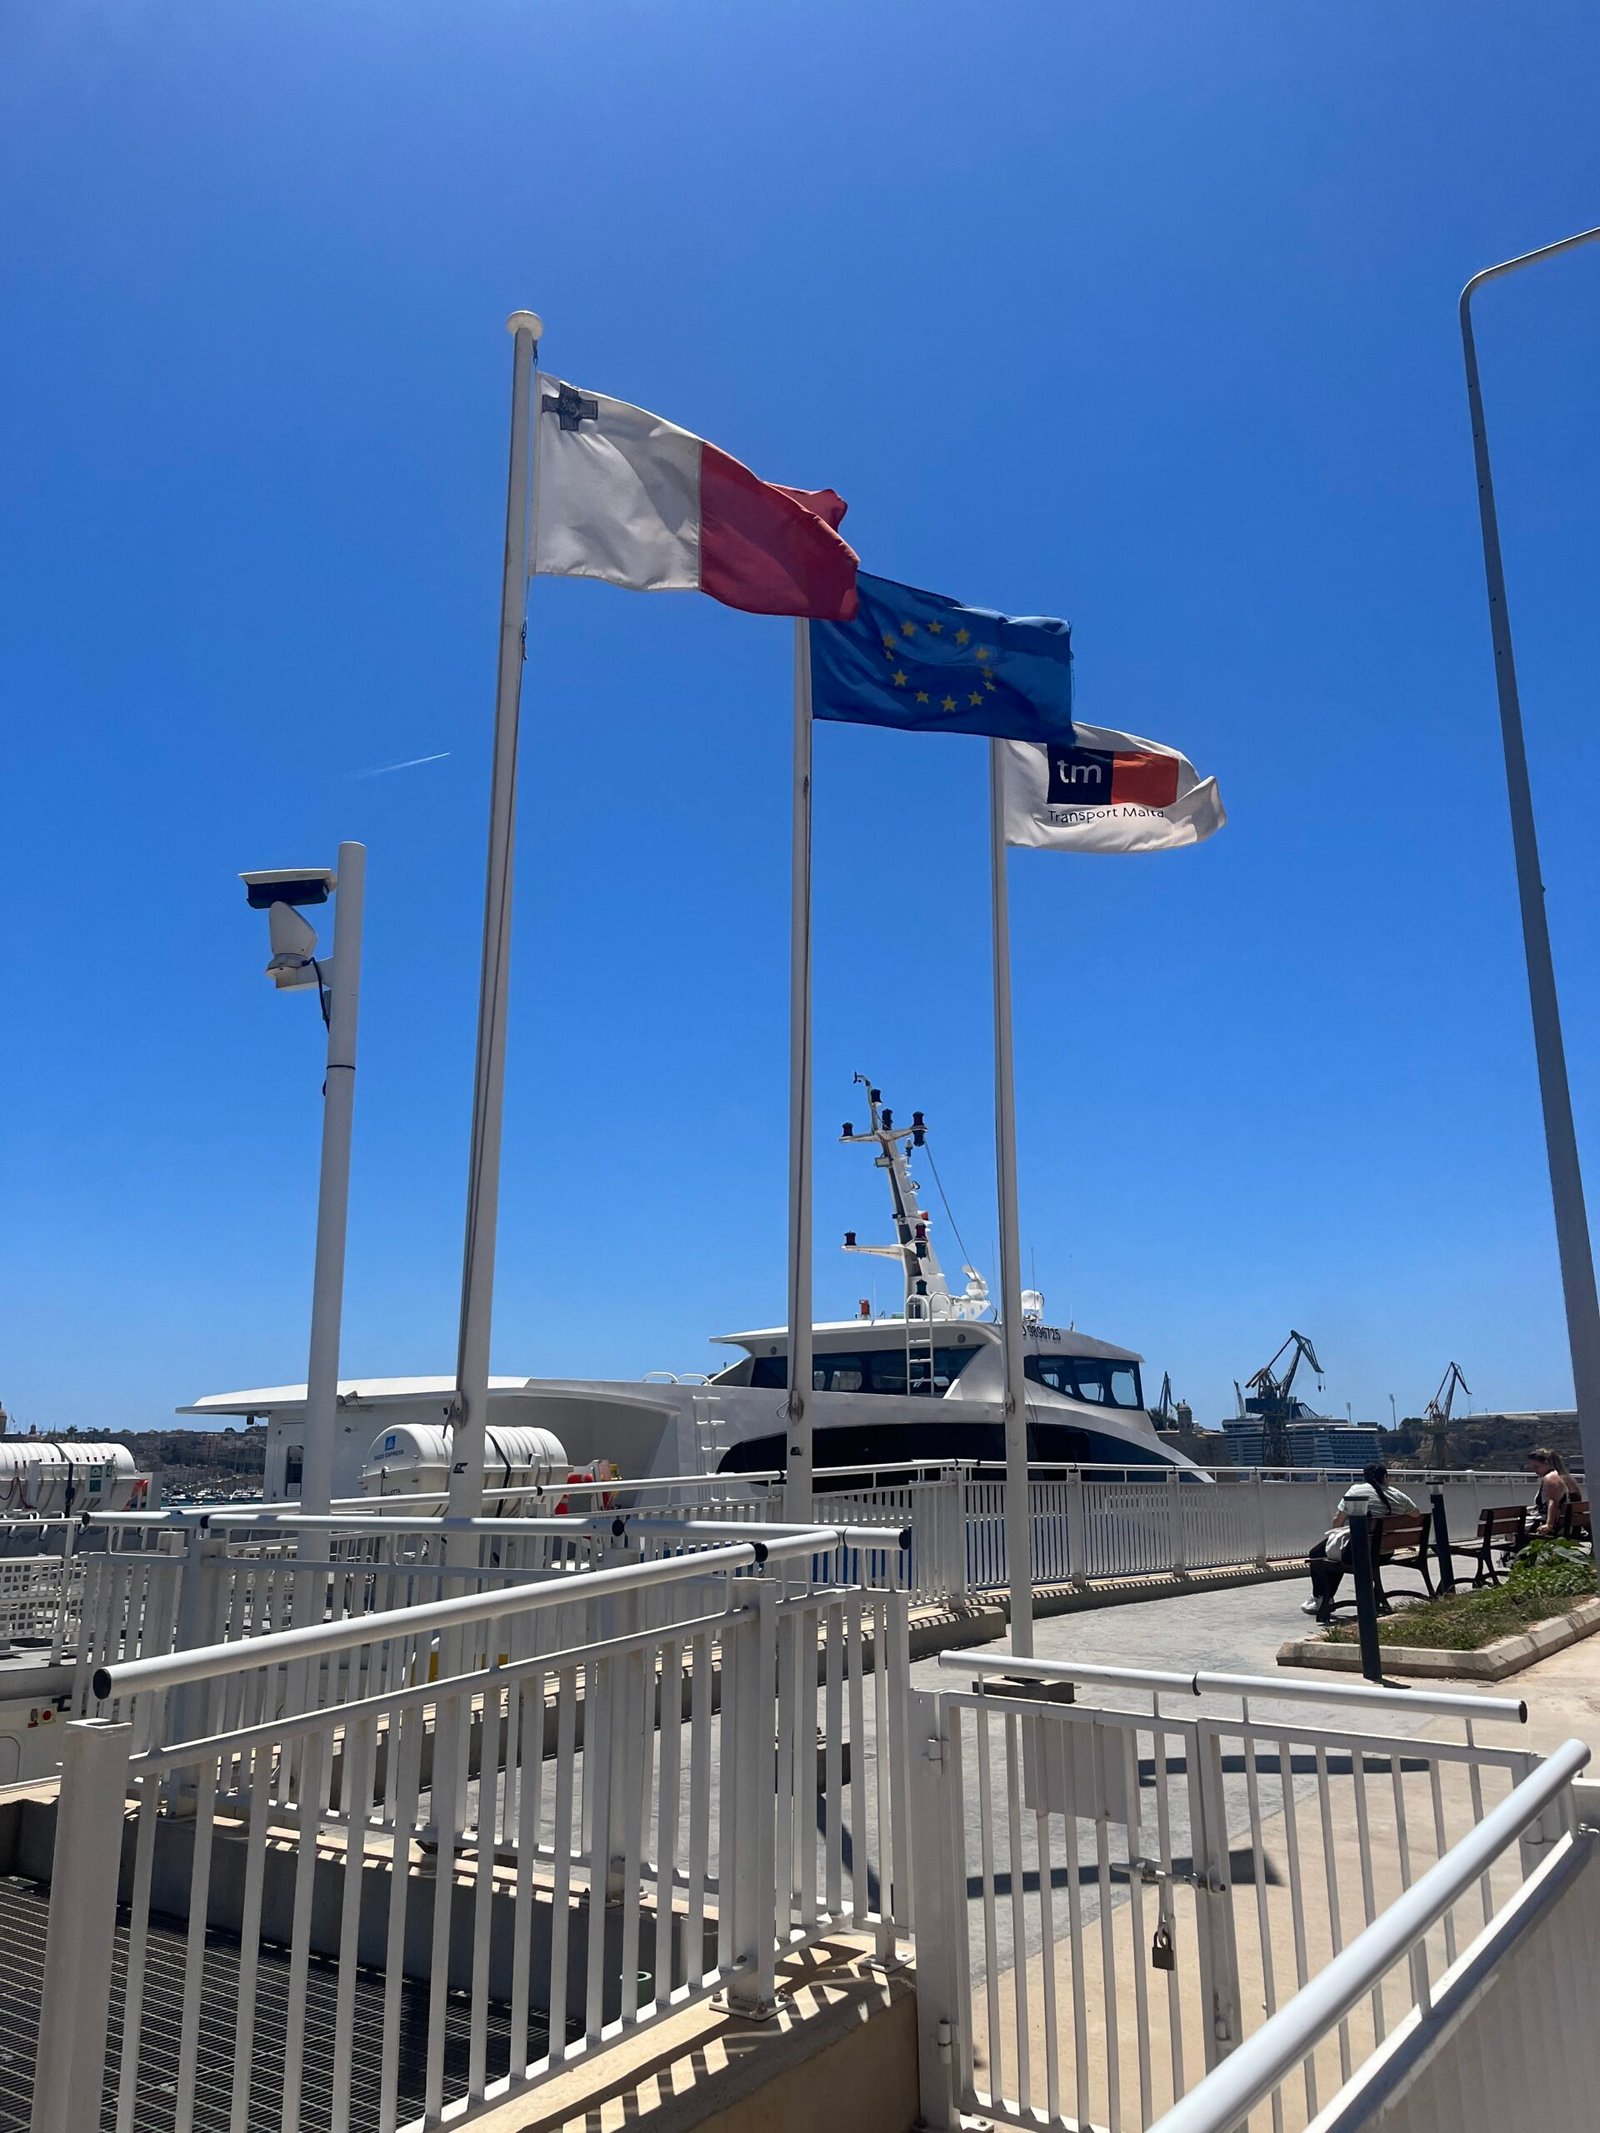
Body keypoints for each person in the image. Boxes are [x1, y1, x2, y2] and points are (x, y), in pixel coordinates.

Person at [1302, 1463, 1418, 1624]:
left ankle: (1322, 1598)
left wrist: (1336, 1535)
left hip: (1360, 1554)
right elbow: (1416, 1515)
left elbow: (1338, 1521)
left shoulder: (1356, 1491)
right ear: (1386, 1477)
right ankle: (1325, 1599)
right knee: (1338, 1554)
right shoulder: (1399, 1495)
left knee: (1319, 1553)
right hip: (1384, 1553)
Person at [1525, 1447, 1578, 1539]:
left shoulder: (1550, 1478)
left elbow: (1552, 1502)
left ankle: (1510, 1553)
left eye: (1537, 1467)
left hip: (1555, 1525)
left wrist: (1549, 1525)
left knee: (1510, 1527)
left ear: (1547, 1464)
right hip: (1568, 1523)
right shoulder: (1565, 1477)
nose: (1535, 1470)